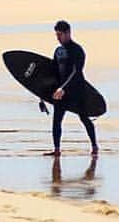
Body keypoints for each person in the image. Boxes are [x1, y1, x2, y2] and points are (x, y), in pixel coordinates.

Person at [42, 19, 98, 158]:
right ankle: (56, 150)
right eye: (57, 35)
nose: (58, 38)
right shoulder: (58, 51)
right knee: (56, 121)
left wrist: (63, 88)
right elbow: (53, 73)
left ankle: (95, 146)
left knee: (84, 118)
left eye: (60, 34)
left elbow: (76, 72)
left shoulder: (77, 50)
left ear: (68, 33)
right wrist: (42, 93)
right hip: (62, 93)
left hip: (77, 91)